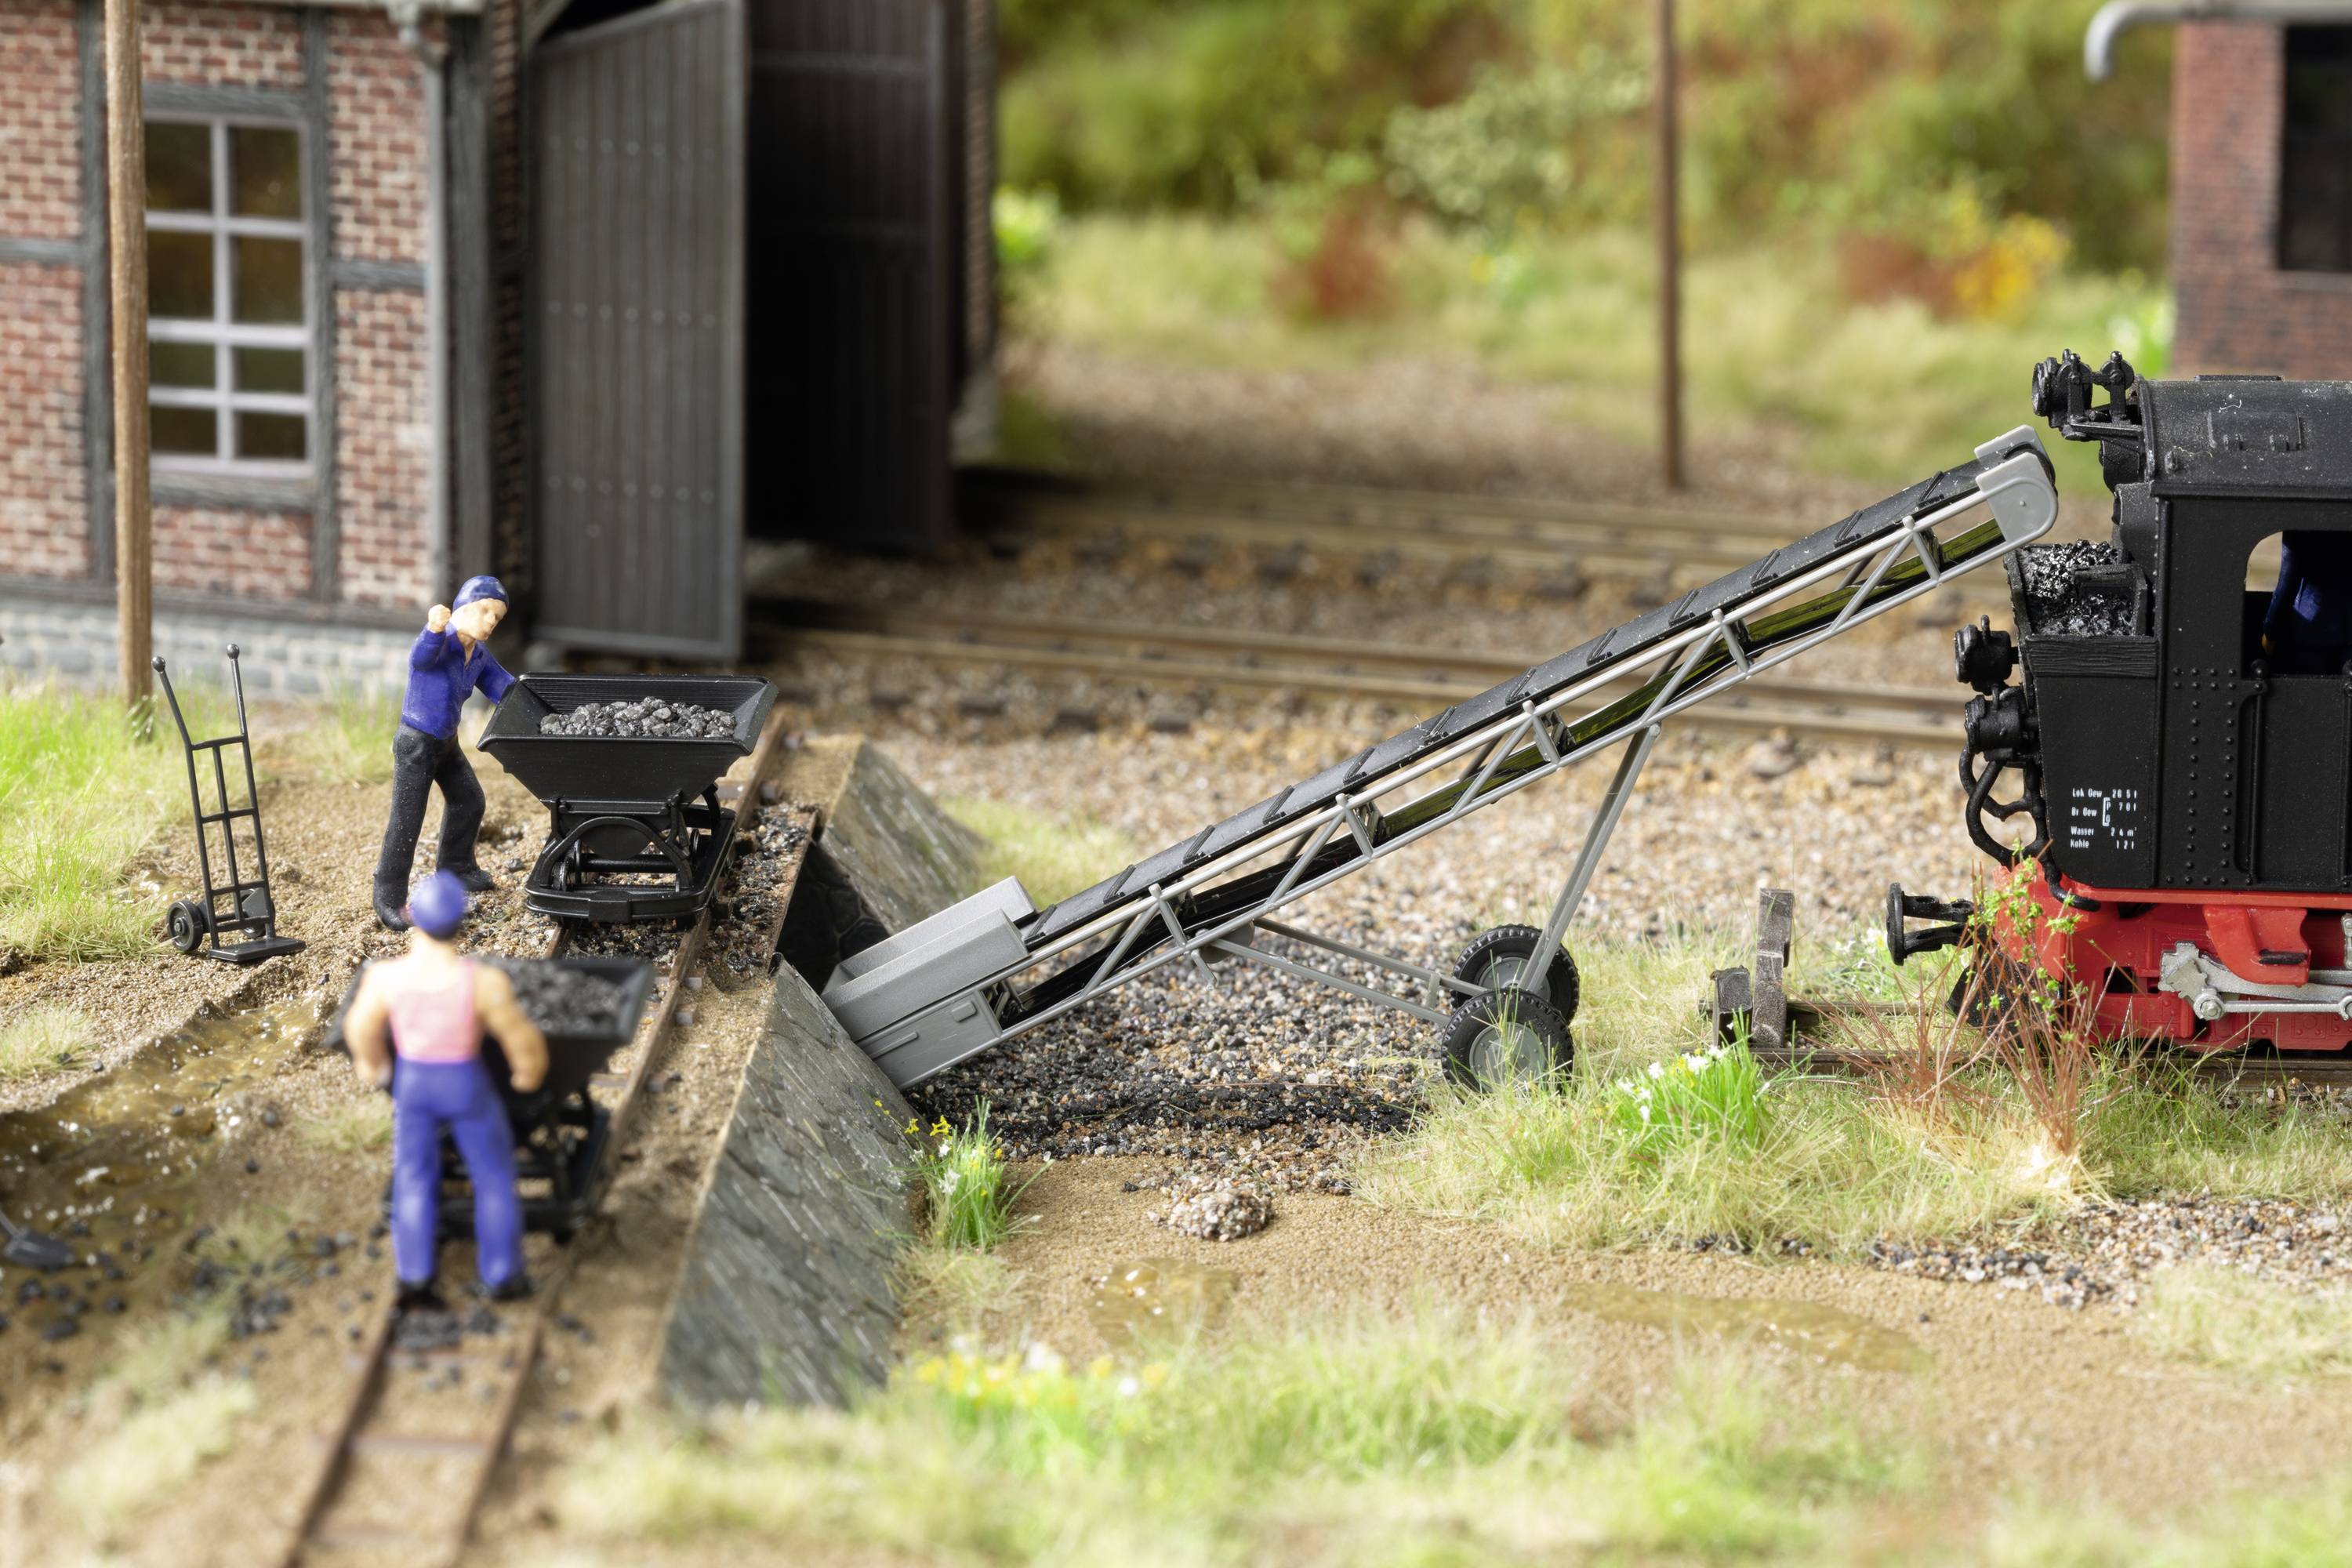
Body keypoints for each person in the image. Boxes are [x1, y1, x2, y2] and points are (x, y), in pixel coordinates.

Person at [343, 871, 549, 1310]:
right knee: (493, 1177)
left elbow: (360, 1027)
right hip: (464, 1083)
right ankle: (502, 1276)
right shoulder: (482, 982)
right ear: (462, 921)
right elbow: (520, 1037)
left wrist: (375, 1067)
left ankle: (415, 1279)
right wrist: (527, 1076)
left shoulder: (386, 977)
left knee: (413, 1178)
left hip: (414, 1085)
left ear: (413, 917)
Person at [375, 575, 517, 929]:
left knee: (470, 800)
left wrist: (538, 705)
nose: (489, 621)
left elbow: (503, 686)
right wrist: (433, 629)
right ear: (462, 608)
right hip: (417, 744)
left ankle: (457, 868)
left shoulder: (478, 654)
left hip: (446, 742)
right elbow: (421, 660)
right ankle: (389, 900)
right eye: (483, 611)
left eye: (495, 618)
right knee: (406, 823)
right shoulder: (440, 642)